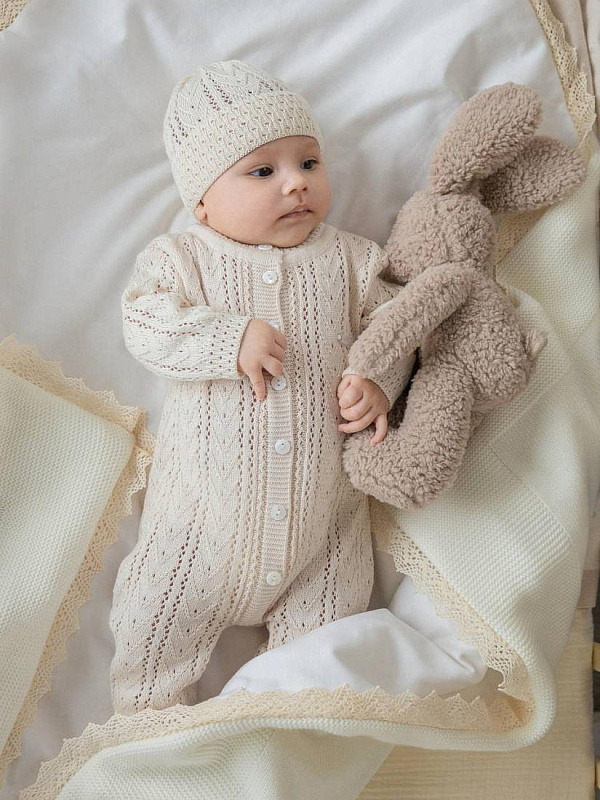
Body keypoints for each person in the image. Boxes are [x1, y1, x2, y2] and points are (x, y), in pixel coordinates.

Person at [109, 59, 415, 715]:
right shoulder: (184, 259)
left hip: (322, 539)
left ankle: (274, 747)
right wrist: (226, 339)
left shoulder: (352, 260)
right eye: (262, 171)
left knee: (323, 668)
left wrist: (379, 382)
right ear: (202, 201)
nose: (295, 183)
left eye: (308, 162)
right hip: (196, 535)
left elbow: (395, 329)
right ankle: (148, 741)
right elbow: (143, 322)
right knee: (148, 629)